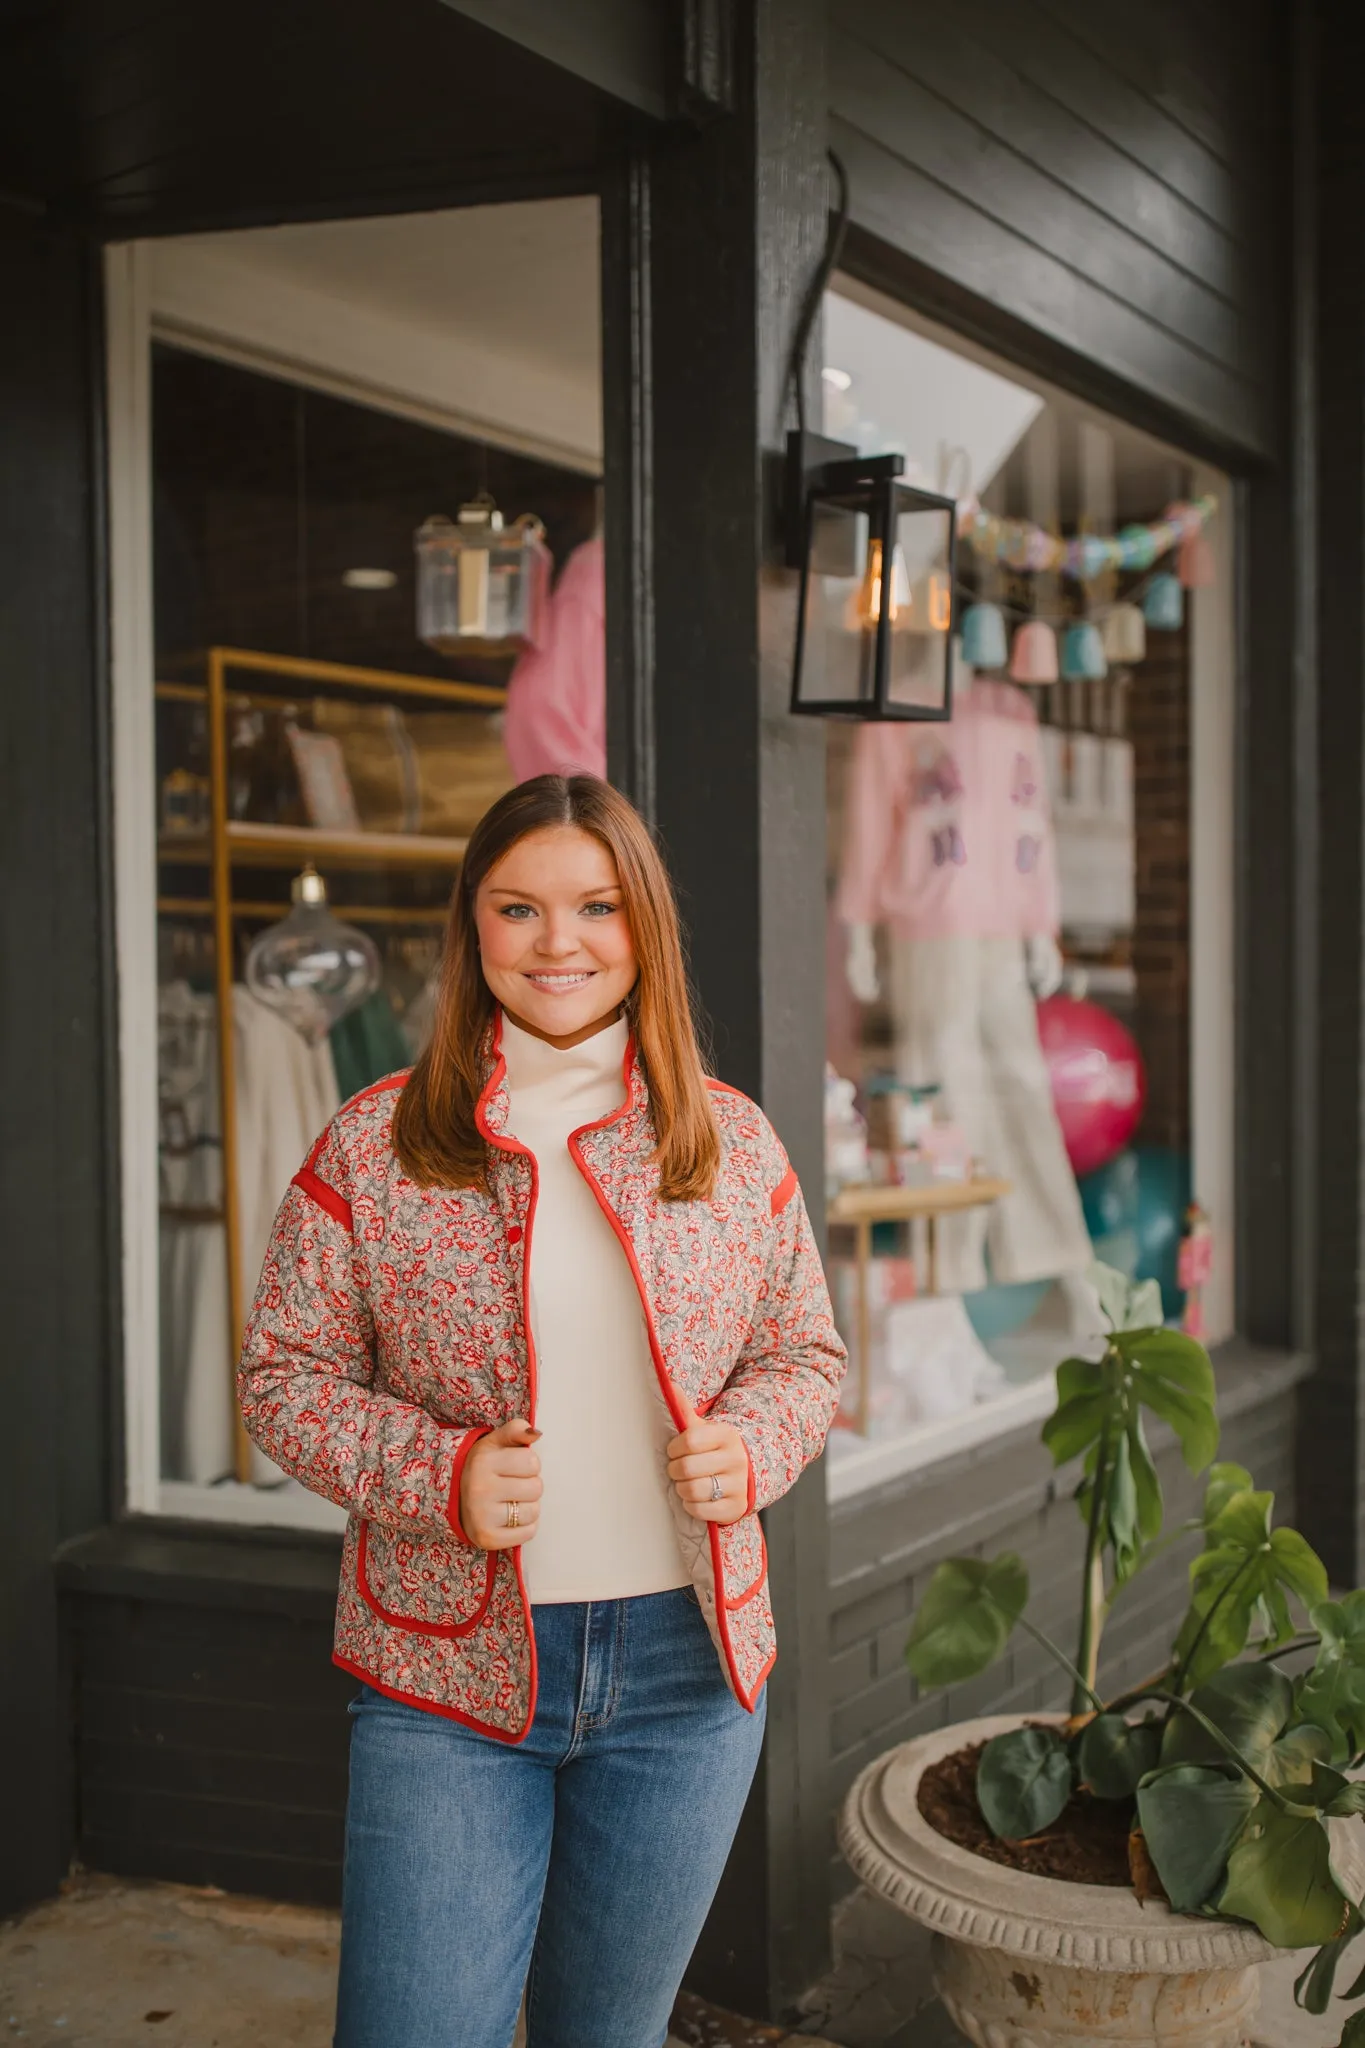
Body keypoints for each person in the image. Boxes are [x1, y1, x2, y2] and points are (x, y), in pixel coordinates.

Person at [237, 773, 847, 2048]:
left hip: (688, 1675)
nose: (557, 942)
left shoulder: (733, 1144)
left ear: (646, 929)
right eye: (518, 908)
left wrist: (755, 1444)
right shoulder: (375, 1143)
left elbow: (806, 1357)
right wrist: (438, 1470)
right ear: (473, 928)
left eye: (596, 906)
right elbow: (280, 1377)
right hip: (444, 1677)